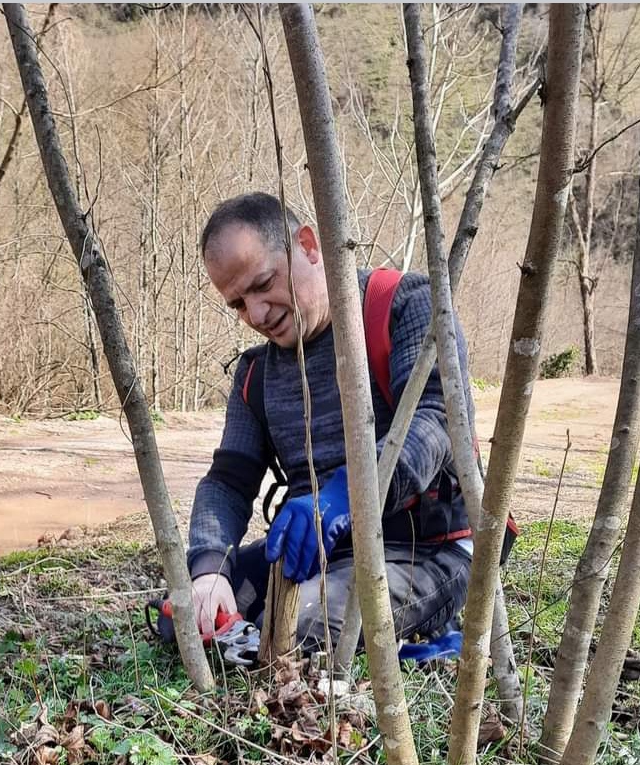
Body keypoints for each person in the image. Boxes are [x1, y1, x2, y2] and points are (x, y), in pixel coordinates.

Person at [187, 191, 476, 651]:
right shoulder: (255, 375)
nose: (256, 314)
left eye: (263, 284)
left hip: (427, 549)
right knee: (187, 618)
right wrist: (209, 569)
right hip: (316, 557)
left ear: (308, 245)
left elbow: (437, 420)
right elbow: (228, 481)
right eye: (238, 304)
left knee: (300, 629)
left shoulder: (405, 306)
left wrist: (343, 496)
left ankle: (418, 645)